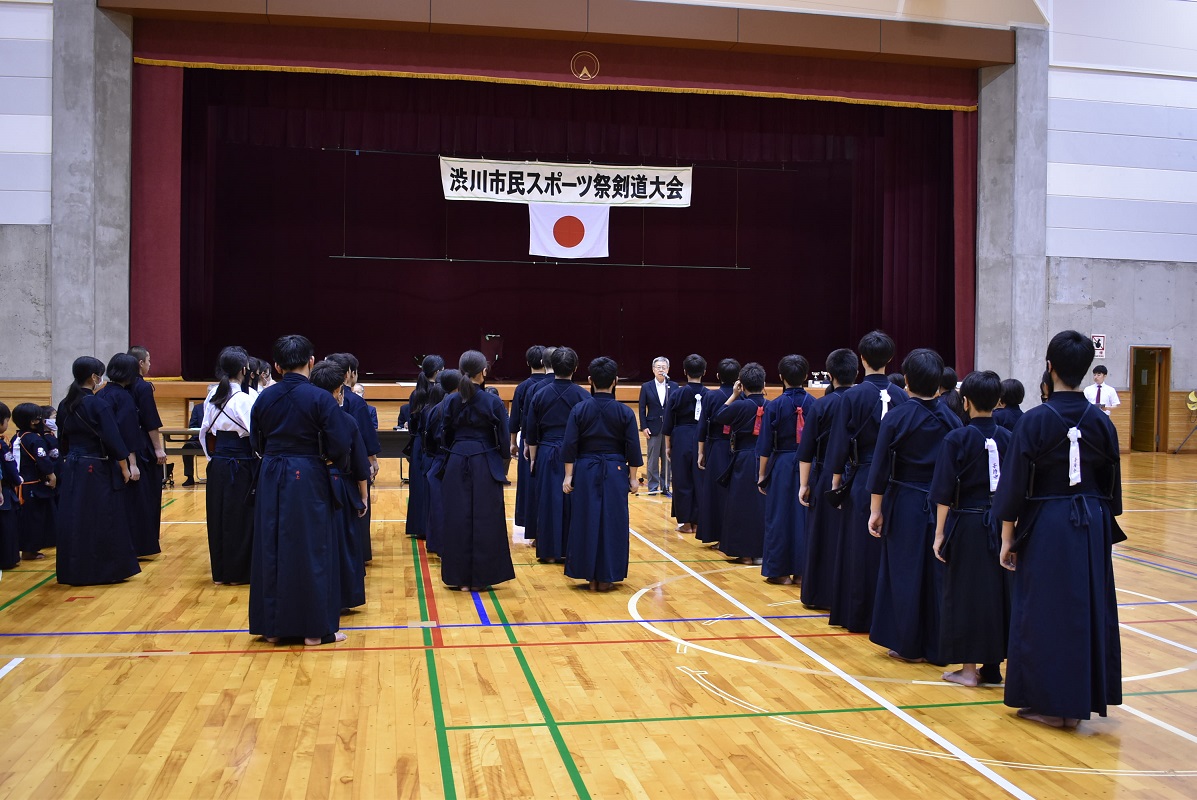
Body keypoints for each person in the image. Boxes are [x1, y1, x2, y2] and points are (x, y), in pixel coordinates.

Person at [995, 330, 1123, 729]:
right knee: (1086, 608)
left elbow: (1013, 486)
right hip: (1093, 522)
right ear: (1086, 371)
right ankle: (1078, 699)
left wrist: (1006, 536)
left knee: (1043, 611)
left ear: (1049, 367)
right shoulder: (1102, 423)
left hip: (1048, 523)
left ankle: (1049, 703)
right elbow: (1111, 489)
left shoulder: (1034, 421)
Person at [249, 335, 354, 646]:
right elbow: (339, 444)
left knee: (272, 544)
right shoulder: (321, 398)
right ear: (311, 361)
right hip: (308, 472)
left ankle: (272, 628)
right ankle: (314, 630)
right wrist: (325, 459)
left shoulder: (264, 398)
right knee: (313, 546)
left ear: (278, 366)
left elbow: (256, 441)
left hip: (271, 472)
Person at [866, 348, 961, 663]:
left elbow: (879, 469)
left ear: (906, 379)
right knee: (937, 575)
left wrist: (875, 510)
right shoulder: (952, 418)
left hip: (905, 501)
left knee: (905, 572)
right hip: (942, 505)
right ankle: (938, 645)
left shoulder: (896, 416)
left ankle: (908, 644)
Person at [930, 370, 1011, 688]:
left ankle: (968, 669)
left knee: (964, 594)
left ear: (965, 402)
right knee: (998, 594)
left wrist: (939, 534)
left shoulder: (957, 438)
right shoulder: (1007, 437)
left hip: (967, 523)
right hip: (1001, 523)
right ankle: (994, 667)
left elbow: (943, 491)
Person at [824, 330, 908, 633]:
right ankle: (886, 616)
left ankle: (858, 614)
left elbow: (839, 444)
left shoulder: (852, 396)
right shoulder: (901, 395)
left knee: (858, 548)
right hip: (895, 480)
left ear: (862, 360)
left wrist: (835, 483)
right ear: (889, 359)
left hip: (861, 478)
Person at [562, 356, 643, 592]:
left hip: (585, 469)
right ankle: (607, 575)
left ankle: (588, 574)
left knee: (585, 519)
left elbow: (570, 445)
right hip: (616, 470)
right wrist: (632, 476)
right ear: (616, 381)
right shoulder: (624, 412)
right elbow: (633, 446)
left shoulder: (579, 409)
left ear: (590, 380)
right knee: (613, 521)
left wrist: (568, 475)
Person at [55, 356, 138, 586]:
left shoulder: (65, 404)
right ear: (94, 377)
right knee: (101, 517)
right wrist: (124, 466)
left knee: (75, 517)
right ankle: (102, 570)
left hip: (72, 466)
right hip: (95, 467)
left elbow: (62, 437)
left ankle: (74, 569)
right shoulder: (97, 404)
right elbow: (113, 438)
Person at [439, 350, 515, 592]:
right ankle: (482, 577)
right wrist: (500, 458)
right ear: (484, 371)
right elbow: (503, 439)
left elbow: (444, 434)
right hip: (484, 460)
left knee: (457, 517)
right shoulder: (492, 401)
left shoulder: (450, 400)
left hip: (456, 459)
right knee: (486, 518)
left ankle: (459, 577)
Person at [797, 348, 858, 610]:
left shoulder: (821, 404)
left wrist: (803, 484)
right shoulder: (865, 400)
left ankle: (821, 594)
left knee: (823, 535)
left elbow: (806, 449)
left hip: (824, 474)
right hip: (858, 476)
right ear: (856, 373)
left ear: (830, 375)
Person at [310, 360, 371, 613]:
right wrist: (364, 496)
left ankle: (315, 597)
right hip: (339, 485)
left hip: (310, 486)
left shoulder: (305, 418)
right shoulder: (346, 420)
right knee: (342, 542)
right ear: (338, 390)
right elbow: (359, 465)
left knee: (314, 544)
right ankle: (343, 597)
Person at [525, 347, 591, 564]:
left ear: (549, 365)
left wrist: (534, 458)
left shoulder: (539, 393)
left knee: (547, 500)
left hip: (546, 451)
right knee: (572, 500)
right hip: (574, 453)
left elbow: (532, 432)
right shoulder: (583, 394)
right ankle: (570, 549)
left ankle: (549, 551)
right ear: (575, 367)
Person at [199, 346, 257, 586]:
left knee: (219, 515)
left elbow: (204, 434)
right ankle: (238, 572)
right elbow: (255, 433)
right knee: (240, 518)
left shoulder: (212, 395)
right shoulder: (243, 399)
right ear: (244, 369)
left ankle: (222, 571)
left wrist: (213, 459)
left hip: (218, 464)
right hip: (241, 464)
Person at [756, 355, 816, 585]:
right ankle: (802, 572)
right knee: (803, 518)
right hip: (808, 465)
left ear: (781, 378)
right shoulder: (814, 404)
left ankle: (779, 571)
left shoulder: (774, 406)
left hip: (781, 465)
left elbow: (764, 446)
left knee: (779, 517)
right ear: (807, 377)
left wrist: (762, 475)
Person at [711, 363, 769, 565]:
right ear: (763, 384)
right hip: (766, 459)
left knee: (741, 505)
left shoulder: (739, 405)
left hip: (744, 458)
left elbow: (718, 417)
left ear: (741, 385)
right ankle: (762, 551)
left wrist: (734, 395)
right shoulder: (771, 405)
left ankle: (744, 554)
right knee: (763, 506)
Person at [326, 353, 381, 563]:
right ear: (349, 373)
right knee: (359, 503)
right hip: (350, 464)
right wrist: (373, 460)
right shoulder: (355, 402)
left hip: (324, 466)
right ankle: (358, 551)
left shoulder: (321, 399)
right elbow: (365, 436)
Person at [126, 346, 167, 558]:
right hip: (142, 446)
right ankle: (147, 539)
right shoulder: (142, 387)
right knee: (149, 493)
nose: (150, 364)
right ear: (141, 363)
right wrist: (158, 448)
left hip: (124, 446)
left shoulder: (117, 387)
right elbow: (150, 420)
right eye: (149, 360)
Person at [695, 358, 740, 546]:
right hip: (737, 448)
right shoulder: (743, 396)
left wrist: (700, 452)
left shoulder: (712, 396)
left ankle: (719, 535)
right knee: (734, 493)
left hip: (717, 447)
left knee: (716, 493)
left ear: (718, 376)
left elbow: (702, 427)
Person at [663, 354, 708, 534]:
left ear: (684, 371)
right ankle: (698, 521)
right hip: (701, 438)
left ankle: (685, 522)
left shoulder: (677, 393)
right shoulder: (708, 395)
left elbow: (668, 422)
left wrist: (668, 445)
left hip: (680, 437)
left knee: (681, 480)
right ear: (704, 372)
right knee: (700, 480)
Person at [10, 403, 59, 561]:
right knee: (34, 519)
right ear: (34, 421)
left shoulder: (17, 437)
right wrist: (51, 475)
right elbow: (43, 460)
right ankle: (29, 550)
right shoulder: (34, 440)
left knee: (27, 518)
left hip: (20, 484)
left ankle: (27, 548)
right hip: (33, 486)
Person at [509, 345, 550, 530]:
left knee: (529, 485)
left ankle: (530, 525)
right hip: (549, 442)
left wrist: (512, 443)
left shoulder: (523, 387)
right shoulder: (551, 385)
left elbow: (515, 420)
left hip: (528, 441)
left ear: (528, 363)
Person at [422, 370, 462, 556]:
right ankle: (450, 545)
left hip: (437, 461)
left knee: (437, 506)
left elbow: (427, 440)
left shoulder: (433, 409)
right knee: (451, 507)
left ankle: (436, 543)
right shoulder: (461, 407)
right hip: (453, 462)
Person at [406, 355, 444, 540]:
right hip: (433, 445)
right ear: (437, 372)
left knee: (418, 486)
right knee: (432, 485)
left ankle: (418, 525)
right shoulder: (439, 392)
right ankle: (432, 526)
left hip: (418, 443)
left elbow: (412, 423)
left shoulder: (416, 393)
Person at [638, 357, 677, 495]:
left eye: (664, 367)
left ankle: (665, 486)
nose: (661, 370)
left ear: (668, 369)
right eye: (658, 367)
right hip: (653, 427)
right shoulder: (646, 386)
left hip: (669, 428)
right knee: (653, 459)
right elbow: (642, 408)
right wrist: (644, 426)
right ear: (653, 369)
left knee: (667, 459)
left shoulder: (673, 386)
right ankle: (653, 487)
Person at [0, 403, 21, 571]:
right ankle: (7, 559)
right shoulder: (1, 445)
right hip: (3, 490)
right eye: (7, 420)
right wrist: (17, 480)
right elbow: (9, 466)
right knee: (6, 525)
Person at [180, 401, 205, 486]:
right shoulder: (198, 408)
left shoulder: (220, 406)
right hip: (198, 439)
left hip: (216, 440)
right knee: (187, 447)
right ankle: (189, 476)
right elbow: (192, 426)